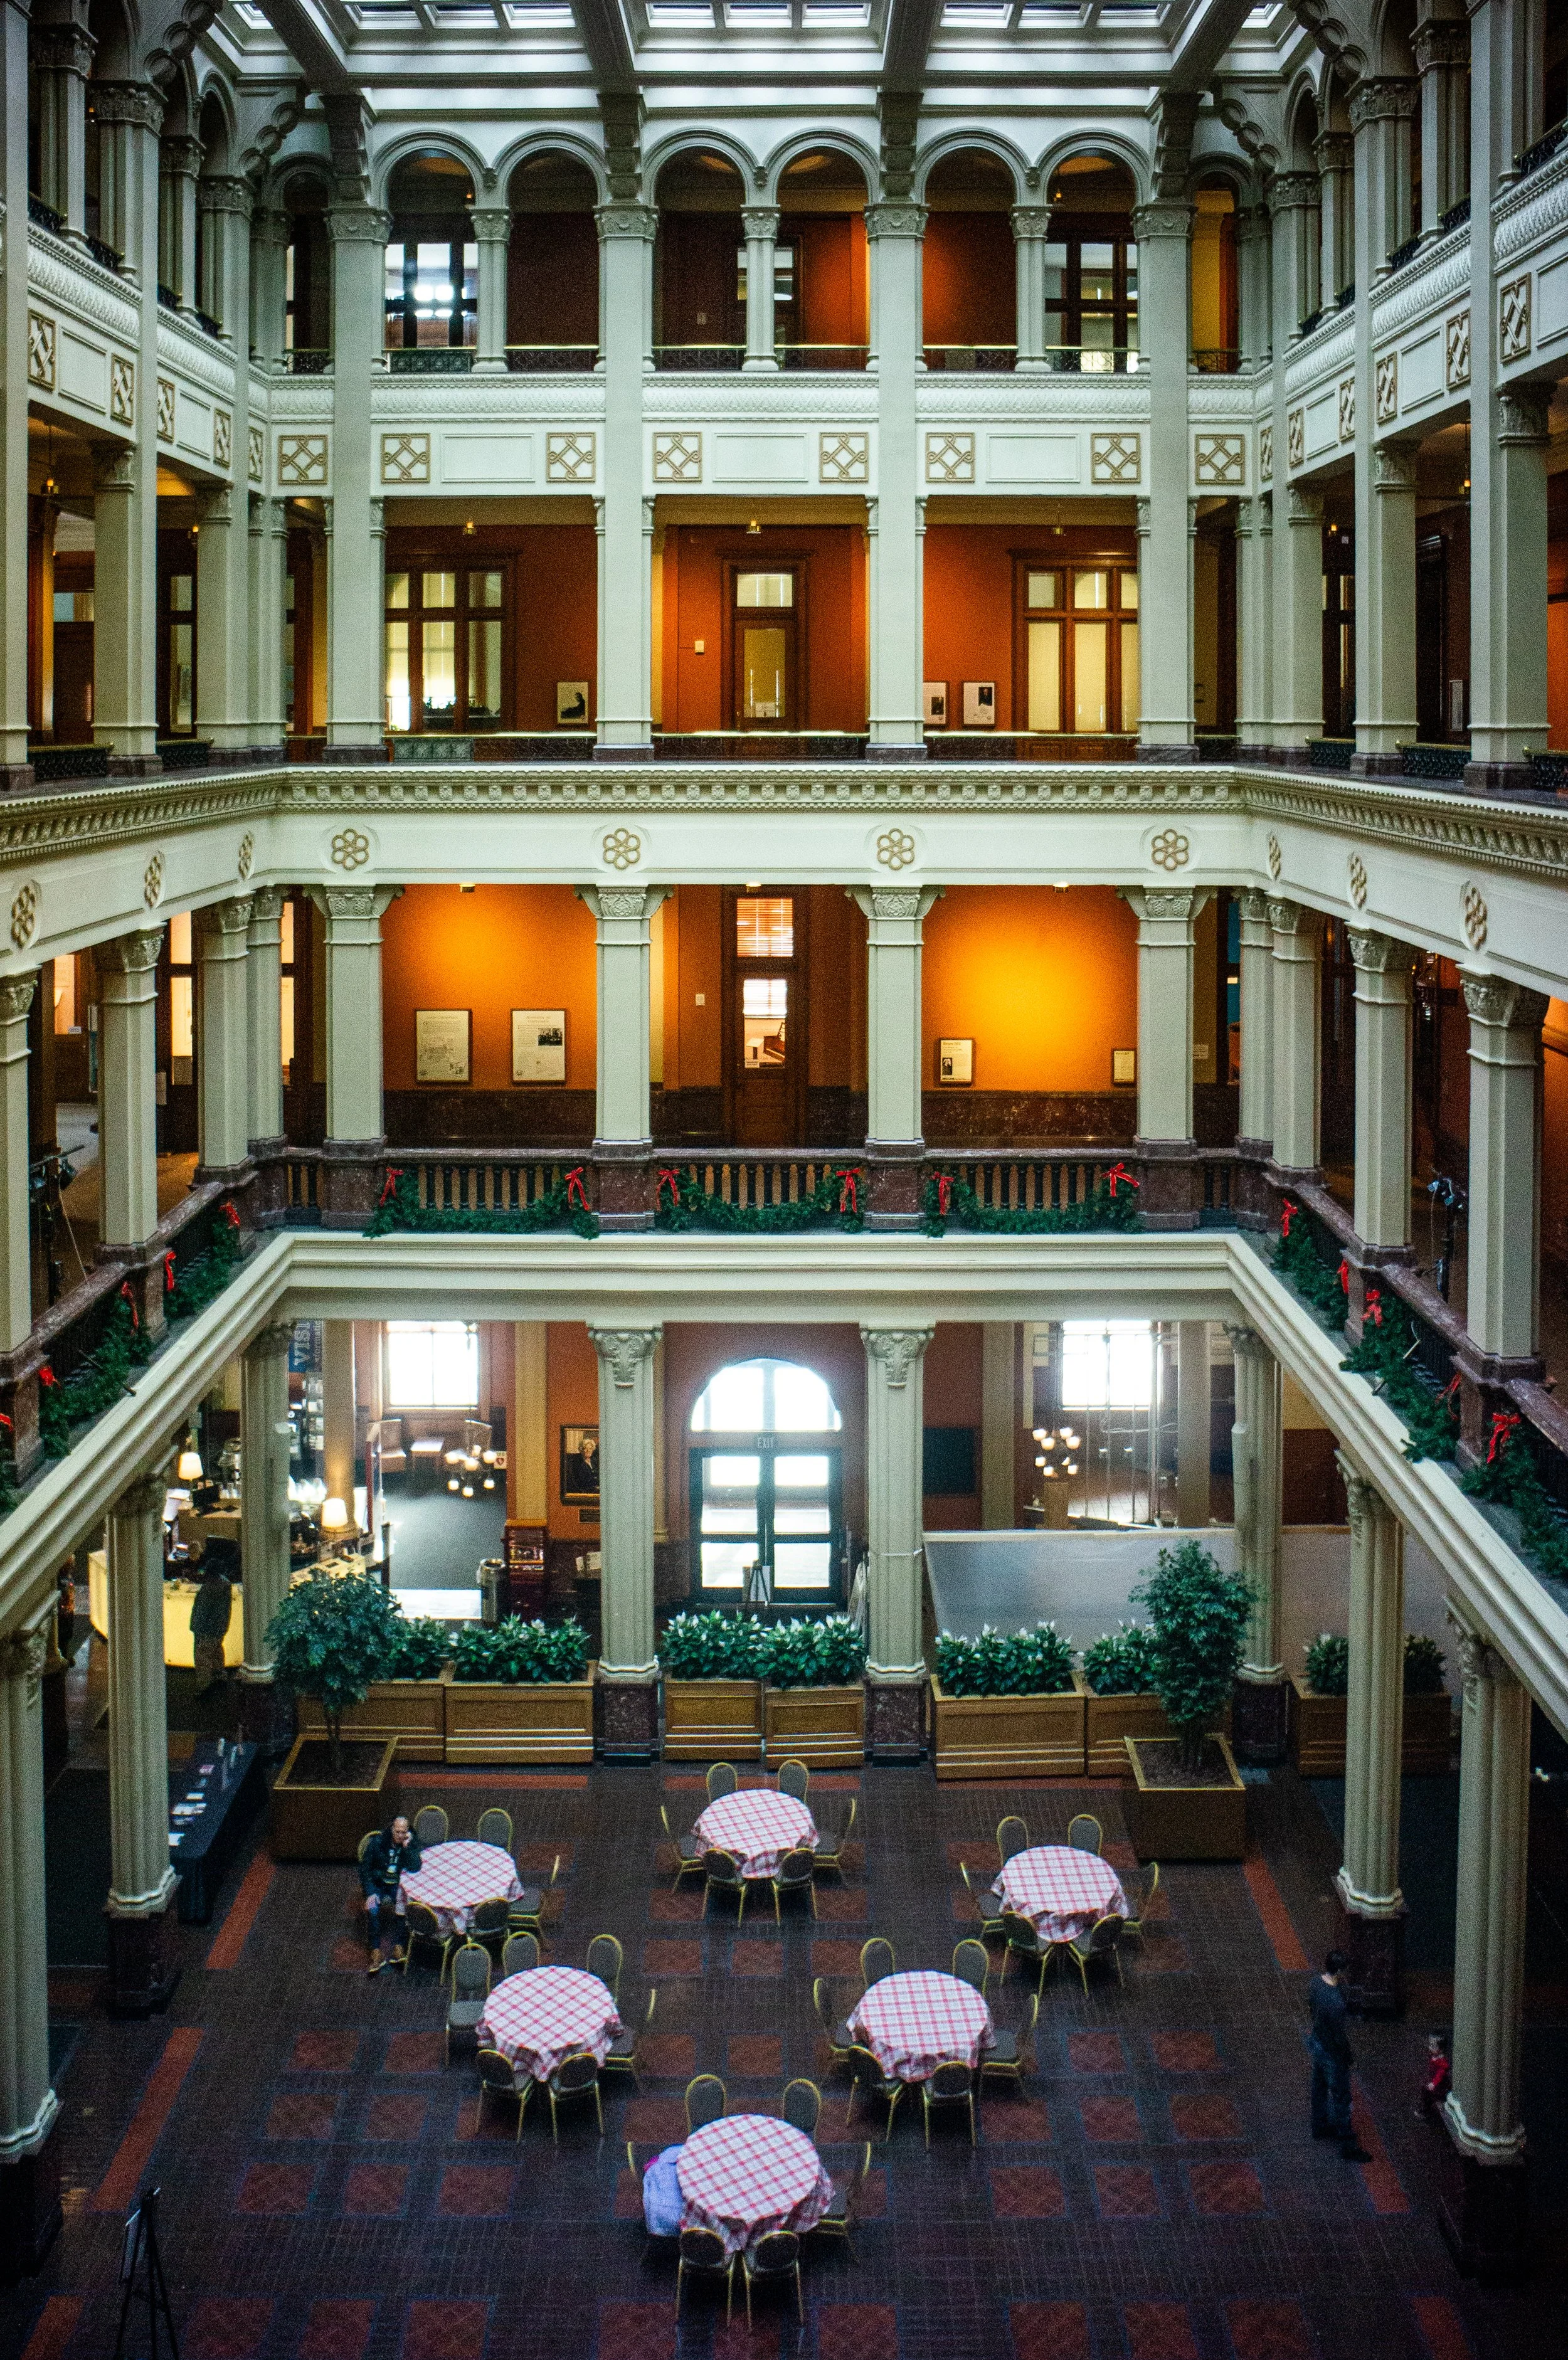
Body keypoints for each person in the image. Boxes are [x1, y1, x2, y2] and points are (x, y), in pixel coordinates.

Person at [1307, 1949, 1371, 2161]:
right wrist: (1348, 2057)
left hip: (1317, 2042)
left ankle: (1320, 2125)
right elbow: (1338, 2037)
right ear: (1341, 1970)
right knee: (1341, 2097)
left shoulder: (1315, 1984)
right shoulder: (1336, 2002)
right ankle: (1348, 2146)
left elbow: (1311, 2009)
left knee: (1318, 2086)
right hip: (1333, 2054)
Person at [359, 1815, 423, 1974]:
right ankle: (375, 1951)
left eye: (404, 1832)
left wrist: (408, 1847)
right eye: (398, 1832)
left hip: (397, 1885)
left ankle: (399, 1946)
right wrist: (370, 1892)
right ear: (392, 1829)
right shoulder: (377, 1844)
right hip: (378, 1885)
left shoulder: (410, 1842)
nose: (400, 1835)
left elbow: (415, 1867)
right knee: (373, 1911)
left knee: (404, 1908)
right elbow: (365, 1871)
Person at [189, 1545, 236, 1695]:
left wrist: (197, 1627)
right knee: (217, 1651)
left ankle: (203, 1687)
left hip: (206, 1629)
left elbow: (203, 1610)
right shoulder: (225, 1583)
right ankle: (220, 1676)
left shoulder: (210, 1588)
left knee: (202, 1657)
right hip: (220, 1627)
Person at [1416, 2030, 1451, 2119]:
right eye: (1430, 2045)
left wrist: (1434, 2083)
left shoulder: (1442, 2063)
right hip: (1434, 2082)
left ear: (1441, 2049)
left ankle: (1427, 2110)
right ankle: (1427, 2108)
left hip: (1439, 2085)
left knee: (1430, 2095)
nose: (1430, 2047)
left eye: (1433, 2046)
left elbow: (1440, 2074)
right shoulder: (1435, 2057)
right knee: (1427, 2093)